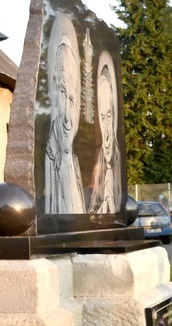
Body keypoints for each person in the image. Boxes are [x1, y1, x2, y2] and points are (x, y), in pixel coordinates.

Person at [45, 14, 85, 214]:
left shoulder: (73, 161)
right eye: (62, 93)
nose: (68, 118)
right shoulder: (50, 158)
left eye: (72, 99)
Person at [89, 50, 122, 214]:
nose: (107, 131)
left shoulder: (117, 156)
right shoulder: (99, 160)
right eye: (102, 117)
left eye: (110, 116)